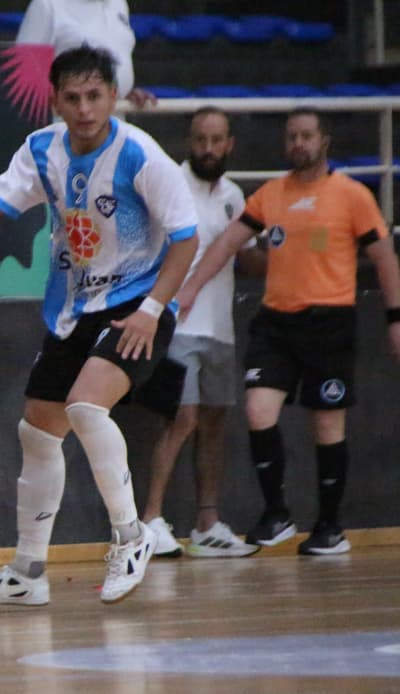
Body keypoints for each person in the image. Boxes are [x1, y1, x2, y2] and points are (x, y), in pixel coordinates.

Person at [0, 45, 198, 604]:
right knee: (38, 428)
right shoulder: (42, 152)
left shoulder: (141, 155)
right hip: (75, 306)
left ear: (112, 96)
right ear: (55, 100)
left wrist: (153, 310)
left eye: (94, 96)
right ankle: (29, 571)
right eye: (72, 97)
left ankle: (132, 538)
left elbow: (187, 239)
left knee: (87, 405)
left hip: (140, 303)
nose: (84, 108)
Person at [176, 107, 400, 555]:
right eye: (292, 136)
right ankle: (276, 512)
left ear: (325, 141)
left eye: (307, 136)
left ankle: (330, 527)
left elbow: (384, 258)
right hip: (276, 324)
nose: (298, 143)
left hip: (330, 323)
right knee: (259, 410)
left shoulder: (352, 195)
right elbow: (226, 244)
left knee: (326, 423)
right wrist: (191, 289)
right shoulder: (269, 196)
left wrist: (395, 318)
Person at [141, 107, 260, 559]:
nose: (208, 149)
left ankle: (207, 523)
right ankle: (151, 519)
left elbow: (247, 256)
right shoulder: (170, 185)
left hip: (221, 329)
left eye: (216, 140)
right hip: (177, 325)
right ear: (189, 142)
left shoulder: (234, 195)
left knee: (213, 422)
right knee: (182, 419)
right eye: (200, 140)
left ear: (229, 144)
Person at [13, 0, 156, 110]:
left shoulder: (118, 3)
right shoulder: (46, 5)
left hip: (113, 127)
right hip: (61, 132)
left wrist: (123, 92)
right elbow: (23, 79)